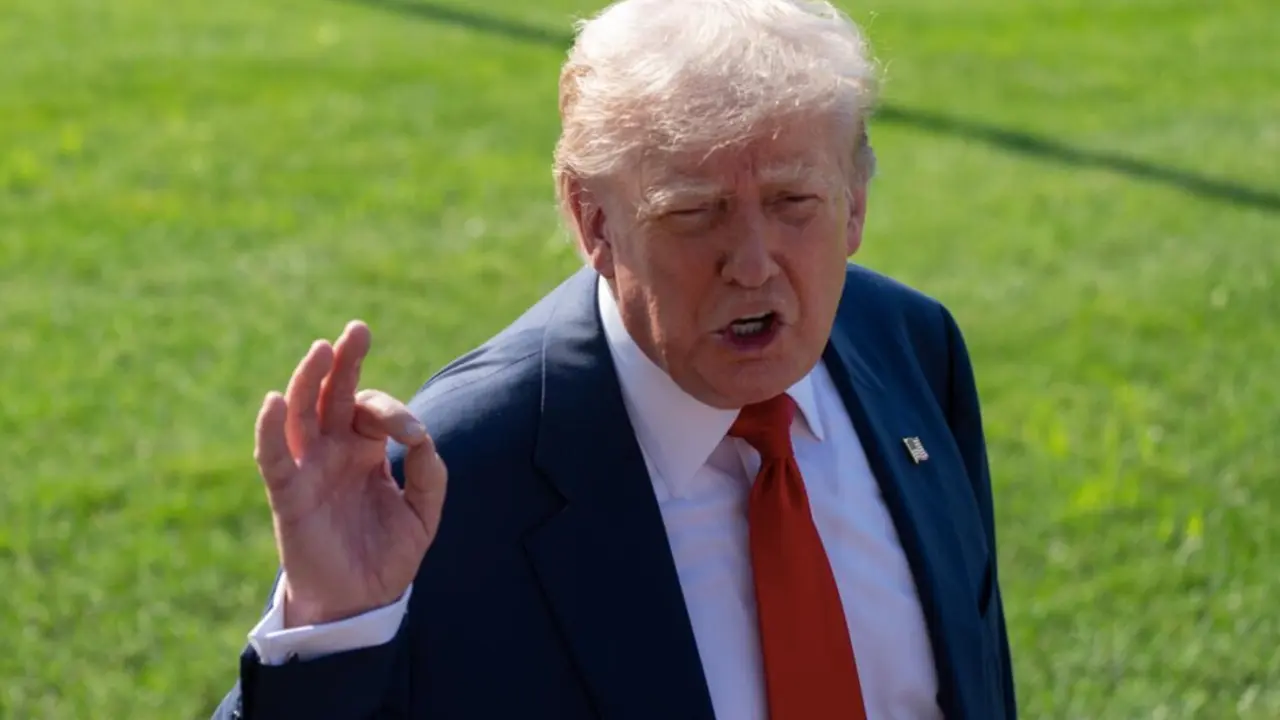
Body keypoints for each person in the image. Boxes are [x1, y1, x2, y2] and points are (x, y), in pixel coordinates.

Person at [212, 0, 1016, 717]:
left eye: (793, 202)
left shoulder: (911, 346)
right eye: (694, 212)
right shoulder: (461, 471)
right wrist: (330, 627)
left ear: (857, 203)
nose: (753, 262)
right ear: (592, 221)